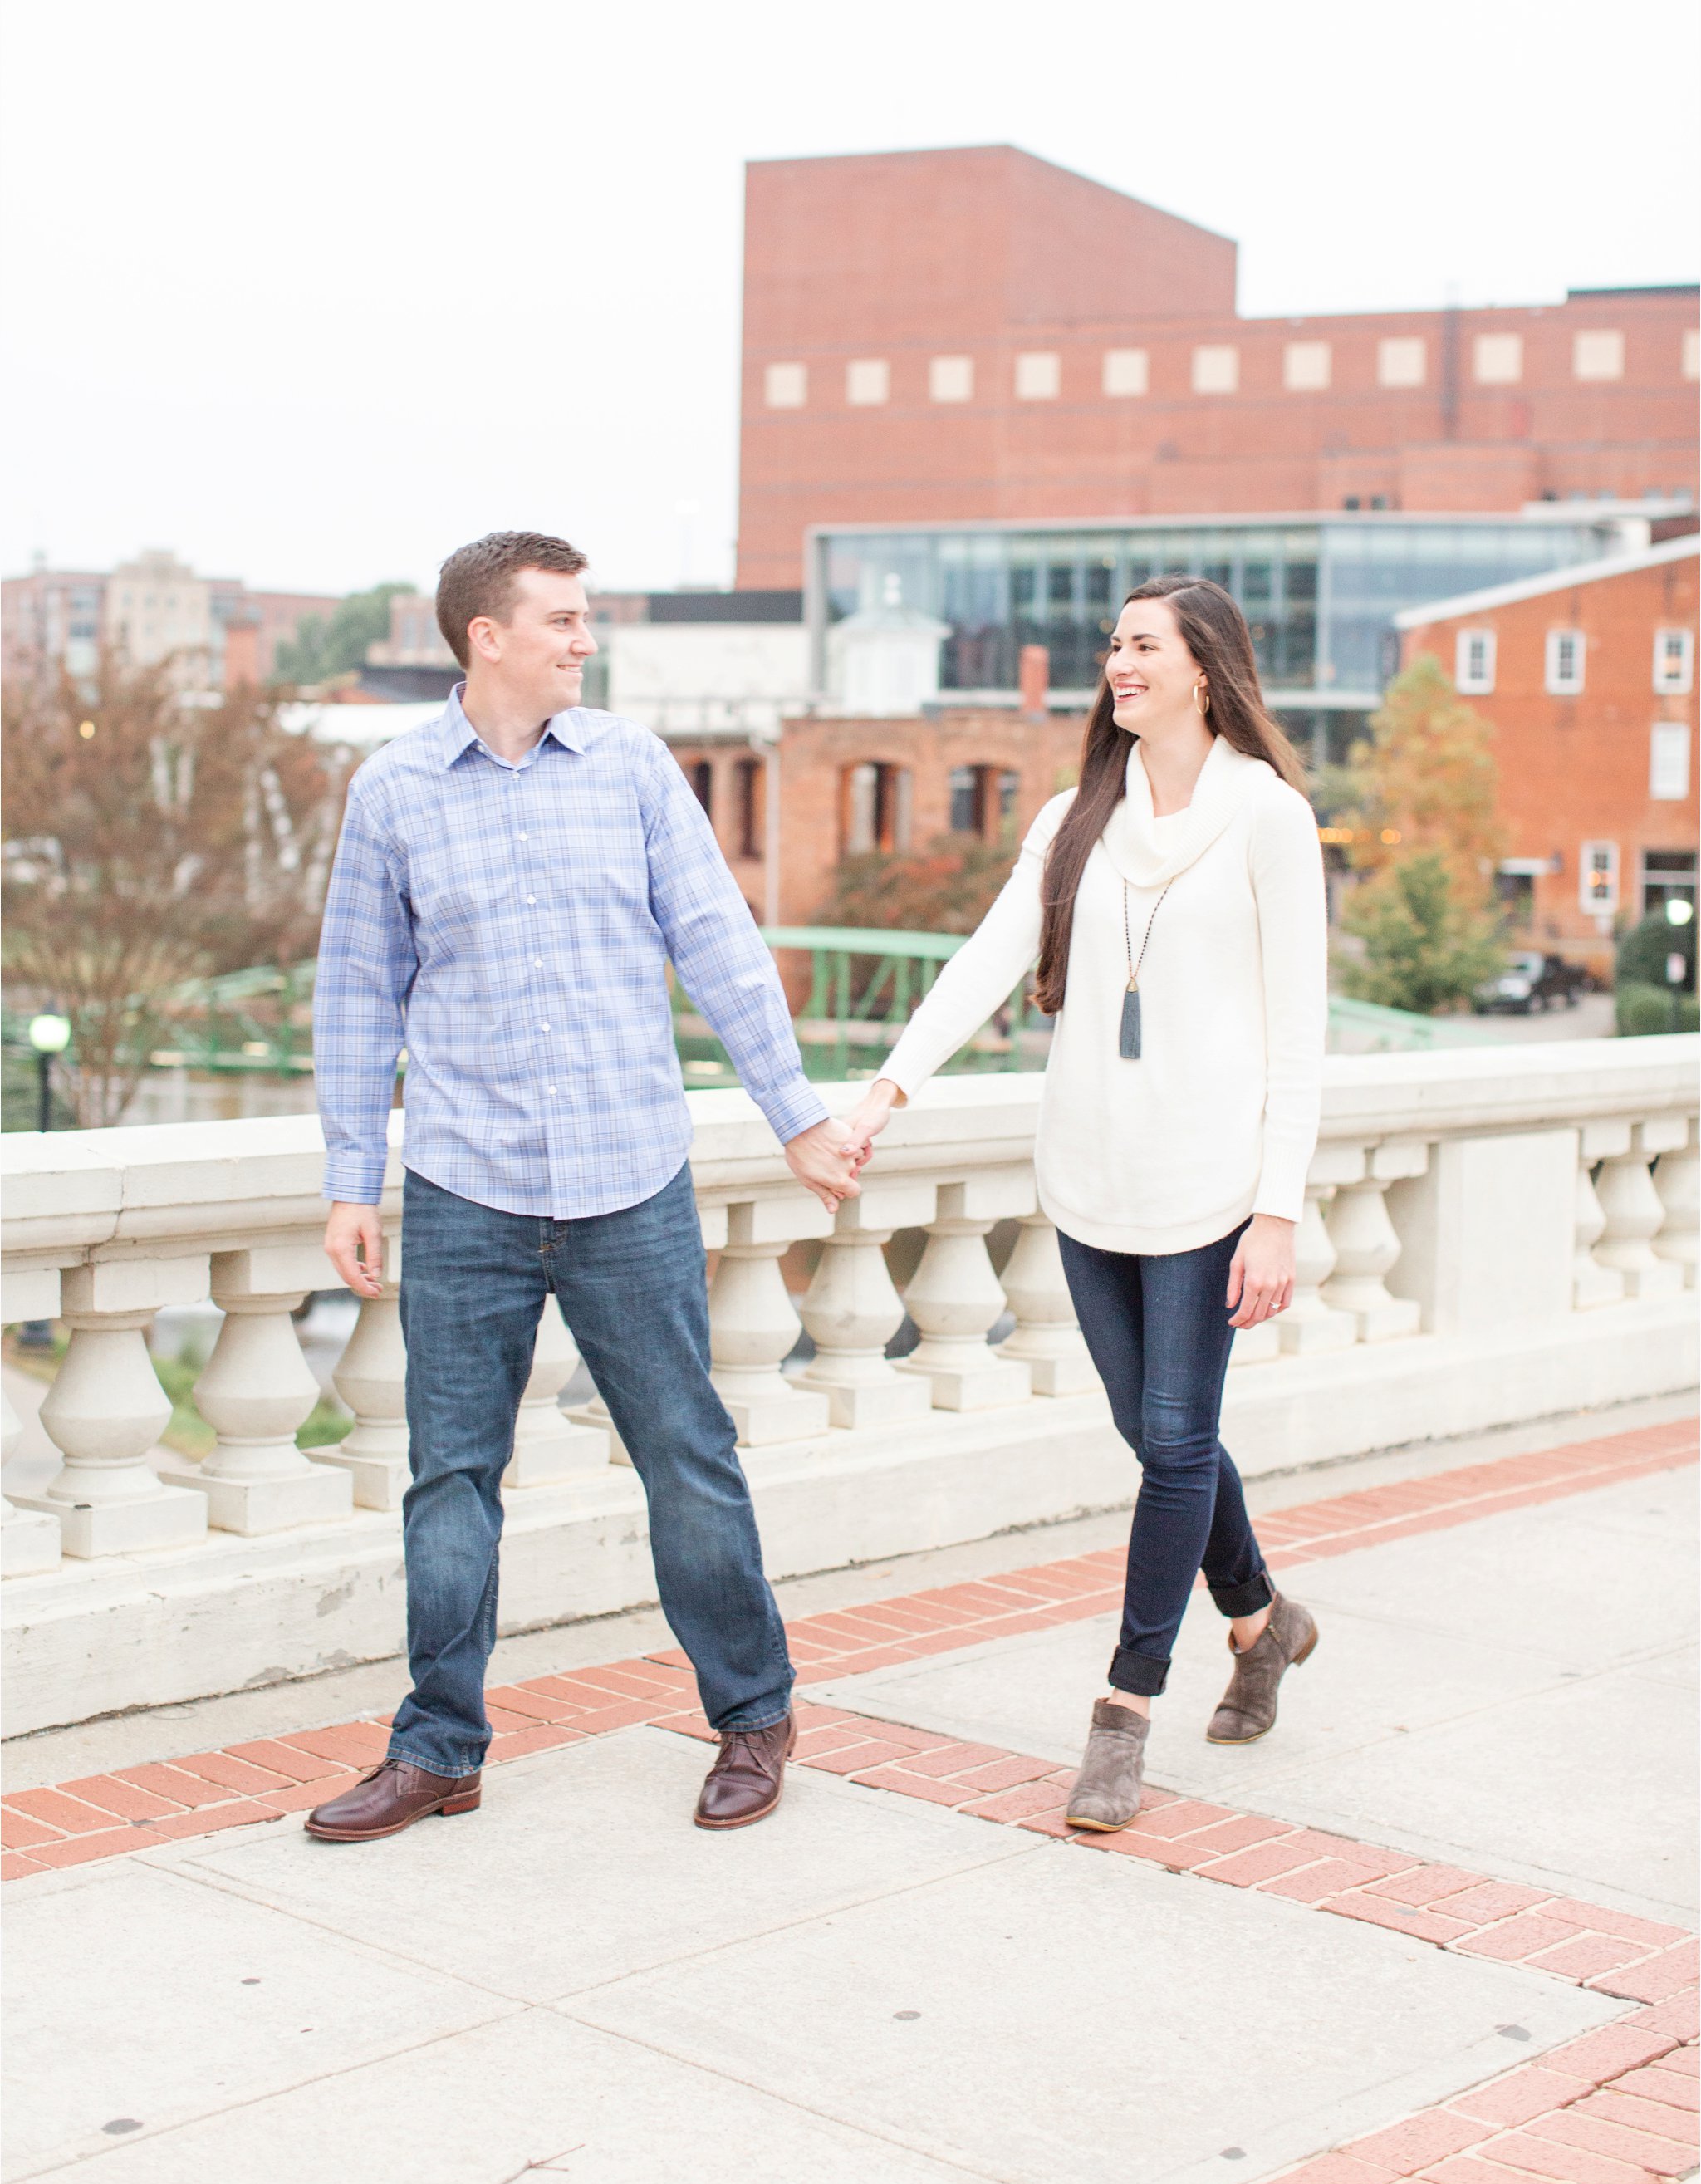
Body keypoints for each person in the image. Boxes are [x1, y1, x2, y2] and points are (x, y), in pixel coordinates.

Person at [305, 531, 862, 1843]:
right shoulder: (392, 792)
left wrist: (795, 1115)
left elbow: (717, 940)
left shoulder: (629, 769)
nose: (583, 639)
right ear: (484, 635)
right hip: (464, 1188)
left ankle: (754, 1714)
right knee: (451, 1477)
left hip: (629, 1183)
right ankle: (438, 1748)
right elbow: (354, 995)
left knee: (686, 1456)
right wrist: (348, 1179)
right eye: (560, 618)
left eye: (585, 617)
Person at [841, 575, 1327, 1831]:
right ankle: (1264, 1621)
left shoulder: (1268, 818)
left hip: (1212, 1183)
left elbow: (1300, 1035)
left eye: (1143, 646)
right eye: (1112, 644)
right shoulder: (1076, 817)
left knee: (1174, 1445)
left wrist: (1279, 1207)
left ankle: (1124, 1712)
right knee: (1156, 1434)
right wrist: (889, 1085)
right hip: (1090, 1176)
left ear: (1204, 671)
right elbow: (988, 960)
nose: (1118, 663)